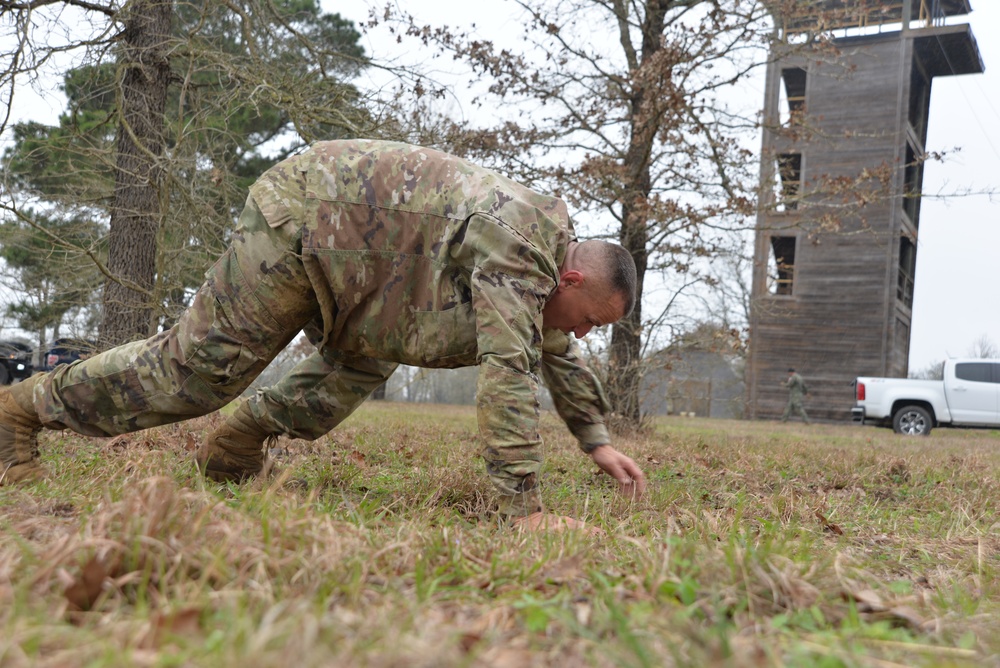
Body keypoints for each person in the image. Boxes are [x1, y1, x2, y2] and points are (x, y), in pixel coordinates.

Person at [0, 138, 646, 530]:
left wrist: (596, 442)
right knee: (197, 373)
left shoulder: (543, 262)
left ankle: (238, 441)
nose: (585, 333)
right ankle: (20, 412)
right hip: (307, 212)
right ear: (566, 278)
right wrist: (525, 510)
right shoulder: (520, 251)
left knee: (371, 353)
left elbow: (553, 351)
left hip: (363, 260)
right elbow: (508, 373)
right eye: (592, 318)